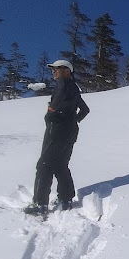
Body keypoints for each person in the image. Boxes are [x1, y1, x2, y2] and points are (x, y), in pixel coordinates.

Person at [25, 59, 90, 216]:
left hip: (56, 132)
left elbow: (58, 101)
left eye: (57, 68)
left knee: (44, 165)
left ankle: (40, 204)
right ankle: (66, 199)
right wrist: (73, 120)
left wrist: (51, 110)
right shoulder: (74, 88)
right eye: (52, 69)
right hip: (70, 132)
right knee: (61, 164)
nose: (53, 71)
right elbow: (85, 110)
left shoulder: (63, 84)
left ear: (67, 71)